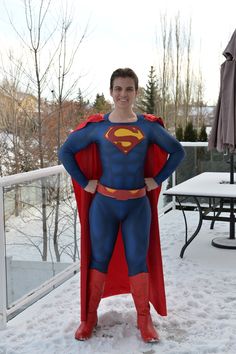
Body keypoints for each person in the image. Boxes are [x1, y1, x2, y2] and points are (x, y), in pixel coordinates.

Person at [58, 68, 185, 343]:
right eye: (118, 88)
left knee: (137, 261)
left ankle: (144, 319)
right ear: (111, 91)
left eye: (128, 89)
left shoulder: (149, 127)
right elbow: (65, 151)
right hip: (104, 205)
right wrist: (84, 182)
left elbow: (178, 151)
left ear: (136, 92)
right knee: (99, 259)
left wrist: (157, 180)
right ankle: (89, 317)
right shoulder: (97, 127)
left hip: (137, 206)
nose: (123, 94)